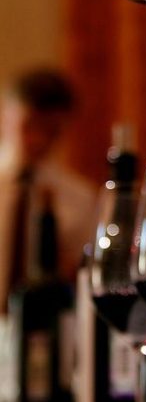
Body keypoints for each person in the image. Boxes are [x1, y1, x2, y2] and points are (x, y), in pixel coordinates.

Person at [0, 69, 96, 309]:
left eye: (51, 131)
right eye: (29, 125)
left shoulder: (80, 198)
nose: (38, 139)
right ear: (6, 114)